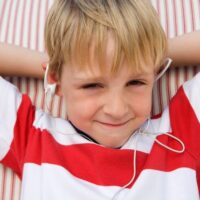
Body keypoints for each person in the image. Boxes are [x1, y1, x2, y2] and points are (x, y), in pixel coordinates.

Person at [0, 0, 200, 199]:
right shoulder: (32, 137)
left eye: (136, 82)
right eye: (92, 85)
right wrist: (62, 65)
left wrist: (148, 53)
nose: (117, 109)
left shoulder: (181, 131)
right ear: (55, 81)